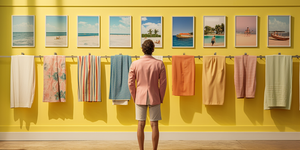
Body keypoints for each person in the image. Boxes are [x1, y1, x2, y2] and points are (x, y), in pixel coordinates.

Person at [128, 39, 167, 150]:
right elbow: (163, 83)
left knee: (140, 124)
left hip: (140, 96)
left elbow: (130, 83)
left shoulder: (135, 64)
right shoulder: (159, 64)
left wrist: (135, 96)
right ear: (153, 49)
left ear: (142, 49)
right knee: (154, 125)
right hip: (155, 96)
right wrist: (161, 97)